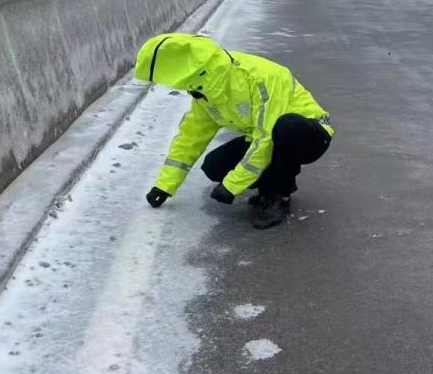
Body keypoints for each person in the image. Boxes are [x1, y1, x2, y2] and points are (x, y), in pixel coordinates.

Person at [134, 32, 334, 229]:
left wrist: (232, 185)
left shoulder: (260, 77)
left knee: (286, 128)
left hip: (310, 134)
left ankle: (278, 194)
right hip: (265, 136)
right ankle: (268, 186)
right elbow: (190, 137)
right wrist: (165, 185)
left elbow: (266, 138)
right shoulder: (206, 90)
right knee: (214, 166)